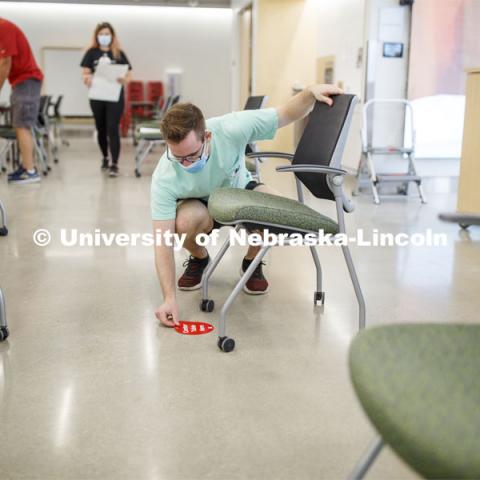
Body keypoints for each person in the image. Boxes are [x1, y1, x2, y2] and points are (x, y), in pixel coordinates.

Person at [151, 84, 343, 327]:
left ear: (207, 136)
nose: (186, 164)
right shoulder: (165, 175)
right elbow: (162, 242)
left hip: (239, 188)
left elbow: (284, 114)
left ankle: (251, 263)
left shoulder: (231, 128)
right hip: (198, 202)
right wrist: (168, 298)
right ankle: (200, 258)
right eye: (178, 157)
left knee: (276, 212)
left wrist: (309, 93)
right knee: (183, 223)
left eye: (192, 156)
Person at [80, 22, 132, 177]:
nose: (104, 36)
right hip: (97, 97)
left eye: (107, 34)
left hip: (114, 97)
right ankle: (105, 156)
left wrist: (124, 80)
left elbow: (129, 74)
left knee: (113, 127)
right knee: (101, 128)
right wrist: (87, 79)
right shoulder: (91, 53)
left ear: (112, 36)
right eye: (101, 34)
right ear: (97, 36)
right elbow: (85, 73)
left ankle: (114, 163)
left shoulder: (119, 54)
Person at [0, 17, 43, 184]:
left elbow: (5, 62)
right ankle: (26, 167)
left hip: (26, 80)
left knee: (21, 125)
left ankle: (30, 172)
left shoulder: (3, 28)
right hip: (21, 81)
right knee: (19, 124)